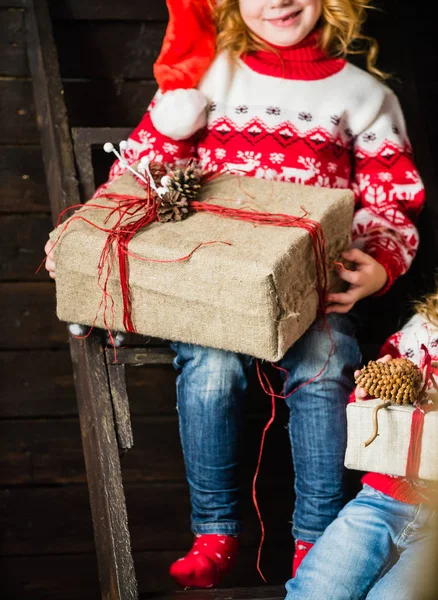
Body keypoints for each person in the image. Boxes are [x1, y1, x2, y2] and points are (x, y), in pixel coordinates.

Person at [44, 0, 425, 589]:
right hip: (213, 287)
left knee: (327, 365)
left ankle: (315, 541)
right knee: (211, 367)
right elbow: (139, 177)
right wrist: (171, 126)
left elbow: (391, 199)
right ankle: (215, 531)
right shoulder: (207, 75)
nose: (275, 2)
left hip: (312, 293)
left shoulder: (363, 95)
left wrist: (377, 263)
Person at [284, 288, 438, 600]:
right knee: (313, 591)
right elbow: (379, 408)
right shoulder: (421, 330)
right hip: (381, 498)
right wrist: (370, 397)